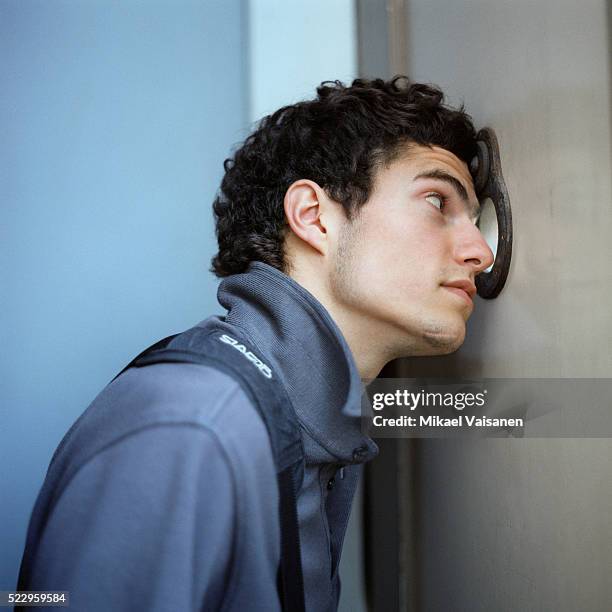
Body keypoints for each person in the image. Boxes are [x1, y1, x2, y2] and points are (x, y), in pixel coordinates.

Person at [17, 76, 493, 611]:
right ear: (314, 217)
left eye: (476, 222)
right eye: (437, 201)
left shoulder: (312, 426)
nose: (481, 252)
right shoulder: (193, 426)